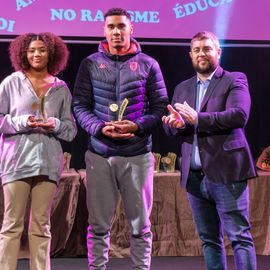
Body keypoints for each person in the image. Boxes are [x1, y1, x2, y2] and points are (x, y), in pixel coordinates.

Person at [72, 7, 168, 270]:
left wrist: (136, 127)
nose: (116, 31)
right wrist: (99, 128)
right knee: (99, 226)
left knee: (141, 226)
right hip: (99, 154)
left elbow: (160, 107)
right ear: (104, 30)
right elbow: (79, 105)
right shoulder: (90, 63)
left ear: (131, 29)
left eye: (121, 26)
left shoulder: (149, 64)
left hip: (137, 155)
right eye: (111, 27)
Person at [162, 31, 257, 270]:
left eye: (207, 48)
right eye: (197, 50)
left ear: (218, 52)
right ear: (190, 55)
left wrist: (197, 118)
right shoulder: (182, 88)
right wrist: (175, 125)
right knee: (209, 241)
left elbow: (239, 115)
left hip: (227, 175)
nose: (201, 54)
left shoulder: (234, 80)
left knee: (239, 238)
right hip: (194, 179)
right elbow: (178, 129)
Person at [0, 32, 77, 270]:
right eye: (32, 50)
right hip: (16, 162)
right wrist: (22, 122)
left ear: (51, 54)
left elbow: (71, 130)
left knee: (42, 226)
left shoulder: (61, 88)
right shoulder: (11, 83)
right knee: (12, 225)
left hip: (48, 164)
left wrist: (54, 124)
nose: (36, 54)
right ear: (23, 53)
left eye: (42, 50)